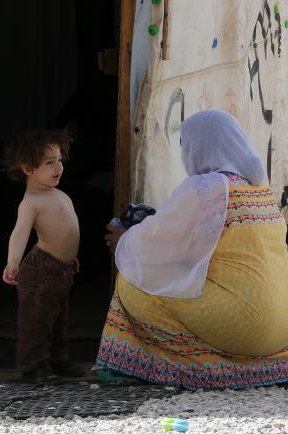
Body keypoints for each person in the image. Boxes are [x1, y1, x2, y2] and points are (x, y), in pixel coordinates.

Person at [97, 109, 288, 390]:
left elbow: (156, 244)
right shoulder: (261, 189)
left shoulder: (209, 186)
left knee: (132, 281)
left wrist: (124, 239)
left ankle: (187, 364)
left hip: (245, 326)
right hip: (281, 330)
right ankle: (254, 367)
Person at [0, 129, 84, 384]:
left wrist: (70, 256)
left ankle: (57, 359)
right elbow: (20, 232)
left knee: (57, 317)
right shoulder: (32, 201)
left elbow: (66, 231)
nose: (58, 167)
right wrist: (13, 262)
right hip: (41, 269)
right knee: (36, 320)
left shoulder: (59, 194)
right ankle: (33, 365)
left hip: (62, 268)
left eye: (59, 160)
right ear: (28, 168)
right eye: (49, 162)